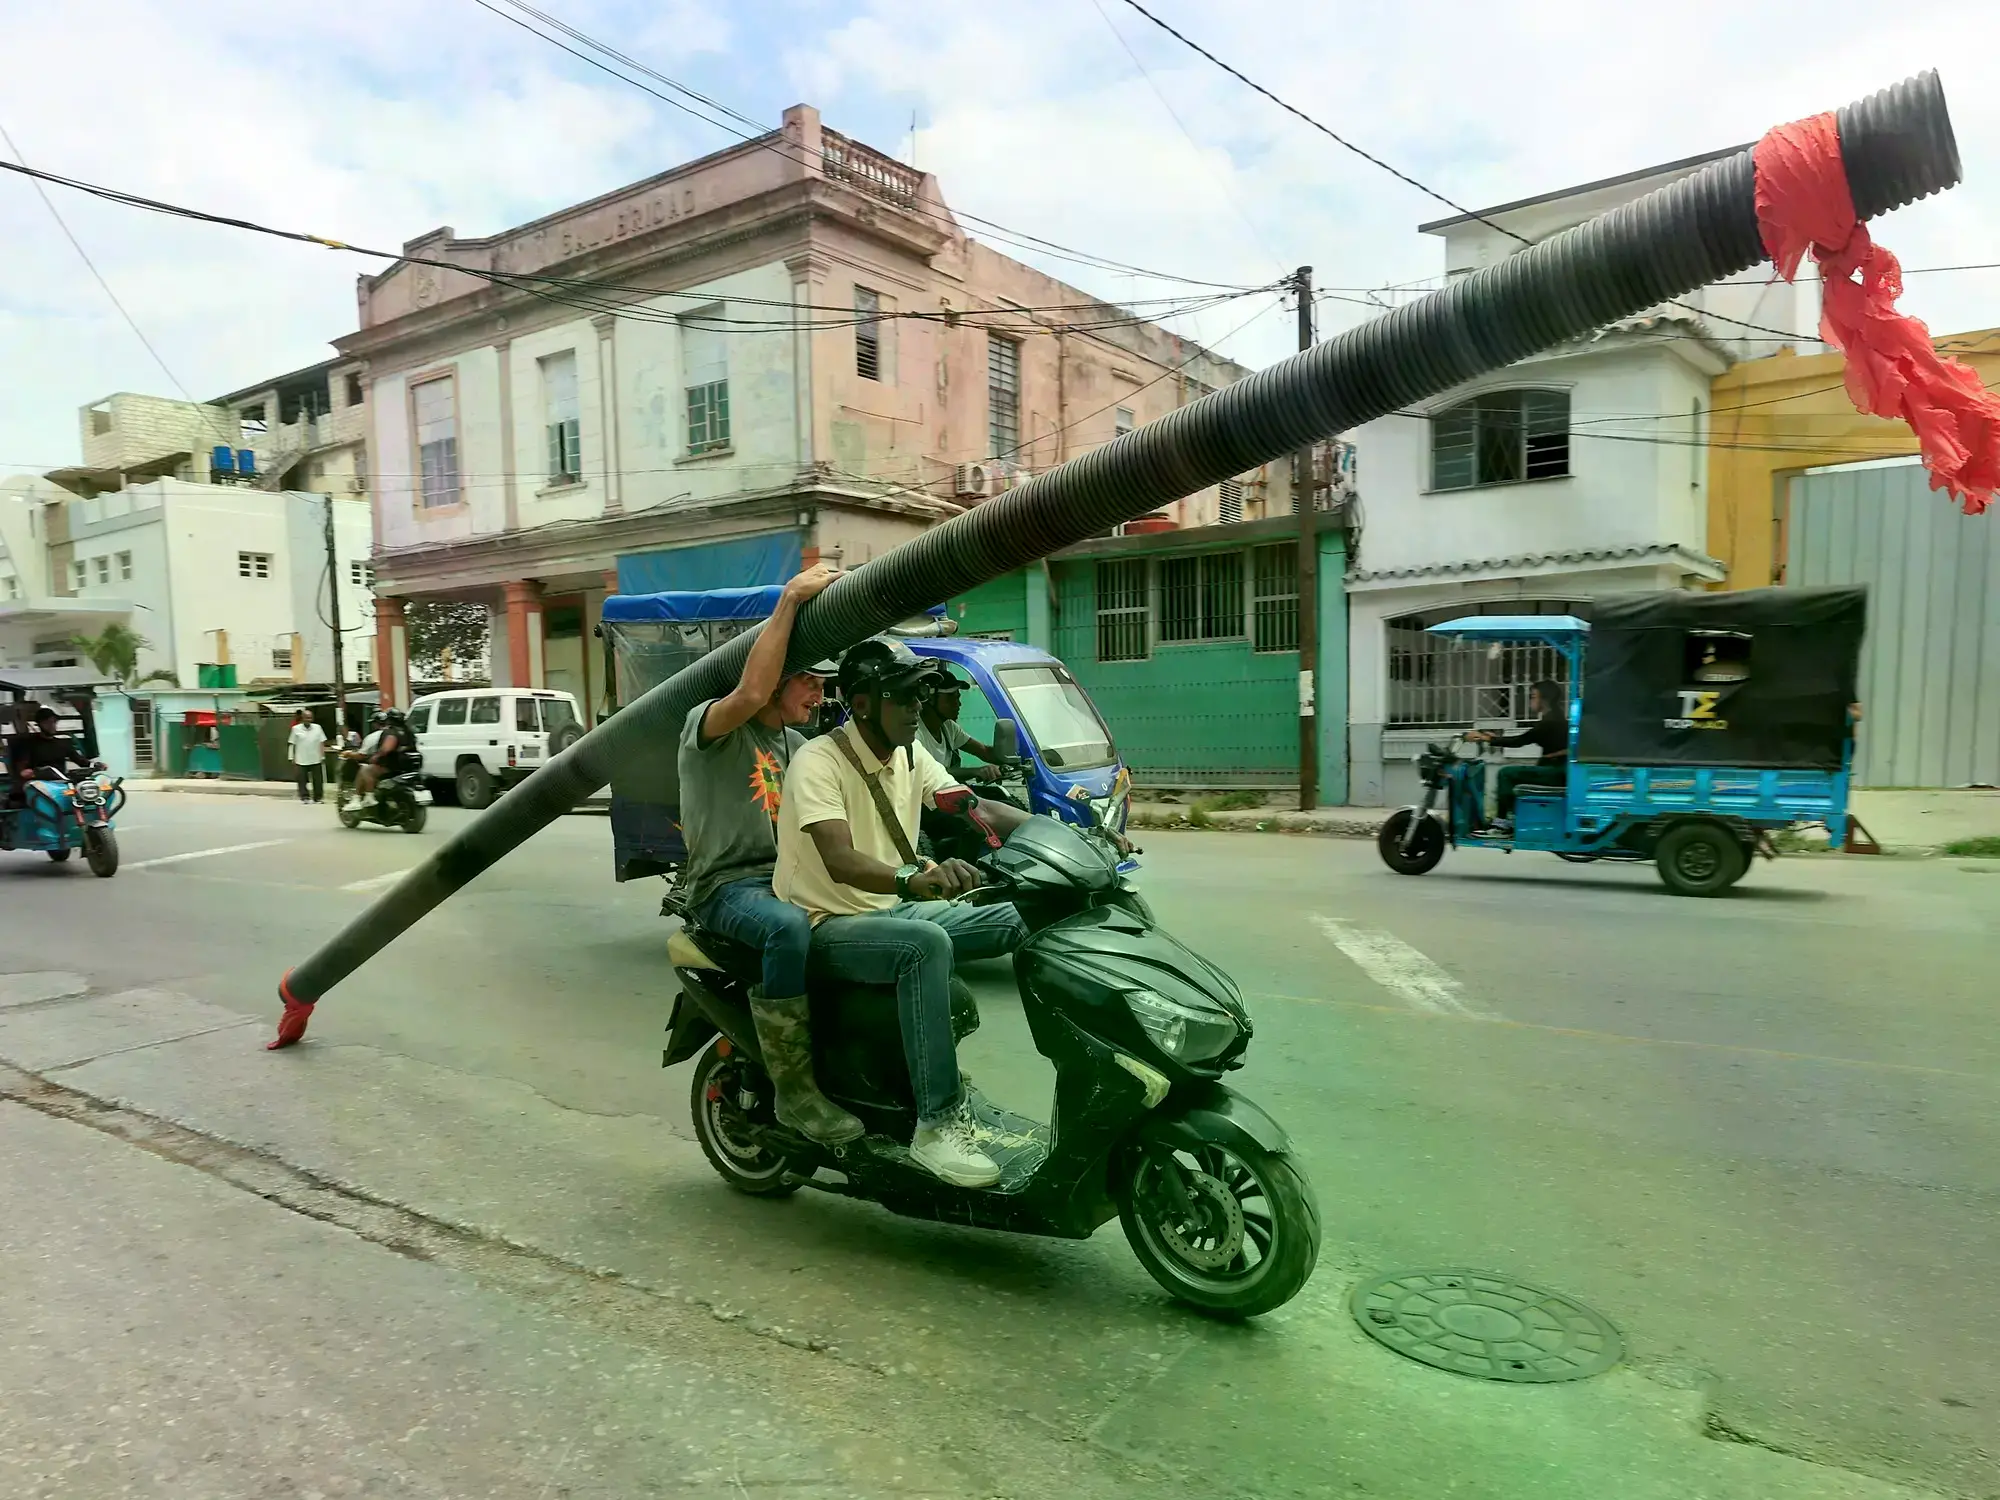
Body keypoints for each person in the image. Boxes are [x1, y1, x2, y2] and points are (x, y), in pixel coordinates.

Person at [774, 639, 1031, 1189]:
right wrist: (911, 879)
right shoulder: (817, 761)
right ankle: (936, 1128)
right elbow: (839, 860)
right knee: (925, 945)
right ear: (864, 704)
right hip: (828, 924)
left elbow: (974, 806)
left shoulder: (911, 753)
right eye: (906, 696)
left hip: (892, 910)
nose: (919, 706)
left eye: (921, 694)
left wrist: (1065, 837)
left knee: (1022, 914)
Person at [677, 562, 859, 1146]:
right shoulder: (711, 729)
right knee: (787, 930)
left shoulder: (798, 744)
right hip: (727, 888)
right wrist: (789, 601)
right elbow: (750, 694)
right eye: (808, 678)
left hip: (784, 878)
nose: (820, 691)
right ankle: (796, 1094)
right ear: (775, 676)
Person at [1467, 679, 1569, 831]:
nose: (1531, 700)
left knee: (1506, 773)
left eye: (1534, 696)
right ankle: (1512, 816)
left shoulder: (1550, 722)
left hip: (1555, 771)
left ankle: (1504, 822)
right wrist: (1493, 738)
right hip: (1557, 768)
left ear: (1545, 699)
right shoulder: (1557, 718)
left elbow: (1519, 741)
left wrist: (1487, 738)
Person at [914, 667, 1004, 784]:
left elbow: (983, 751)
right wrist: (977, 771)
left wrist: (1009, 758)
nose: (958, 704)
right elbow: (931, 773)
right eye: (951, 698)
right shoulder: (915, 733)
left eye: (958, 697)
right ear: (930, 698)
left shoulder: (948, 727)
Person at [11, 706, 92, 792]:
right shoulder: (28, 743)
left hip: (62, 782)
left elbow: (81, 761)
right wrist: (25, 772)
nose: (52, 725)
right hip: (38, 784)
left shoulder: (63, 743)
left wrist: (95, 765)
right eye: (47, 722)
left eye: (54, 722)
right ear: (39, 724)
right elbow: (22, 765)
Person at [352, 708, 417, 805]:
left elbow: (387, 748)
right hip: (405, 768)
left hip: (391, 766)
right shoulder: (408, 732)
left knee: (365, 770)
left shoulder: (391, 732)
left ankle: (368, 797)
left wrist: (376, 756)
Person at [287, 709, 329, 804]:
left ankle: (318, 798)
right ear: (302, 718)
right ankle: (304, 797)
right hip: (301, 758)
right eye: (306, 718)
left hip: (315, 758)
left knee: (318, 780)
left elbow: (321, 742)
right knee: (302, 780)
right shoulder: (296, 729)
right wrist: (291, 757)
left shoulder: (318, 728)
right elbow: (292, 744)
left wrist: (323, 756)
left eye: (310, 718)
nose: (308, 720)